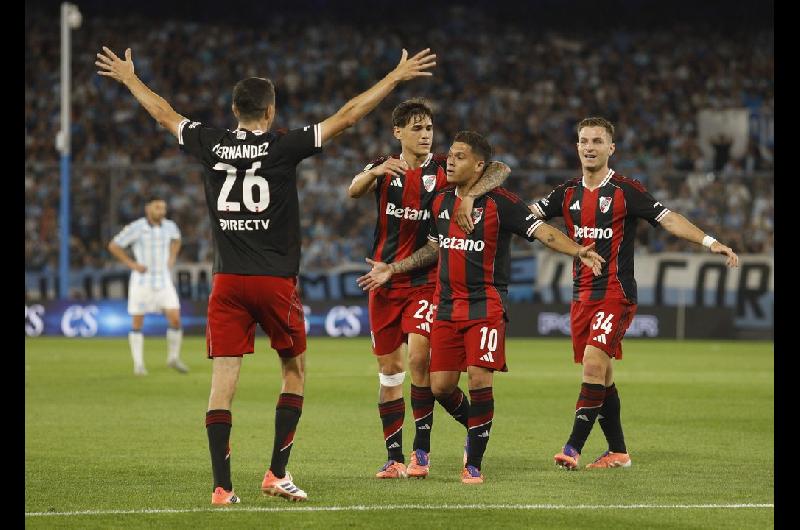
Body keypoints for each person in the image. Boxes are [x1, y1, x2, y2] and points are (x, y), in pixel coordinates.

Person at [96, 45, 436, 503]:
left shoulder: (209, 142)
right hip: (275, 281)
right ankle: (276, 473)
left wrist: (130, 79)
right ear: (271, 110)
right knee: (293, 371)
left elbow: (163, 114)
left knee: (223, 384)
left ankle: (221, 487)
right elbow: (349, 115)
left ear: (234, 110)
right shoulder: (282, 145)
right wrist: (394, 78)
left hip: (227, 282)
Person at [357, 131, 604, 484]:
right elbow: (432, 247)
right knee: (440, 386)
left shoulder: (502, 203)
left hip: (485, 305)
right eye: (451, 155)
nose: (450, 161)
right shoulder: (439, 200)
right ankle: (477, 427)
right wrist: (394, 268)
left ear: (478, 165)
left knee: (477, 378)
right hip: (445, 307)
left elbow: (543, 232)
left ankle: (473, 463)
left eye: (459, 157)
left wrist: (577, 249)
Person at [527, 117, 740, 470]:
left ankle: (572, 448)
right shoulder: (565, 193)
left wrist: (710, 242)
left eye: (597, 141)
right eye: (584, 141)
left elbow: (669, 218)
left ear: (611, 148)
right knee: (604, 375)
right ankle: (618, 451)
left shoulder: (627, 191)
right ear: (577, 146)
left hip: (616, 293)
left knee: (594, 364)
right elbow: (527, 217)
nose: (590, 147)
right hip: (582, 296)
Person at [348, 99, 510, 479]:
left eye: (429, 128)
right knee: (390, 373)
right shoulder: (383, 167)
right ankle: (394, 457)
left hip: (426, 282)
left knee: (420, 359)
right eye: (417, 128)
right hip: (382, 282)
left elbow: (500, 169)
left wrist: (469, 196)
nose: (425, 135)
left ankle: (421, 453)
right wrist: (373, 174)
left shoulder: (444, 167)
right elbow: (353, 190)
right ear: (398, 132)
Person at [108, 196, 188, 376]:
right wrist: (132, 264)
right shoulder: (137, 227)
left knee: (175, 318)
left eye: (163, 208)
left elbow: (177, 240)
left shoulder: (170, 226)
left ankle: (173, 358)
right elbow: (114, 245)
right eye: (158, 207)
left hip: (164, 280)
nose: (161, 211)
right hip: (142, 281)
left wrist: (172, 257)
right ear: (148, 208)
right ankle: (138, 364)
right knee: (137, 322)